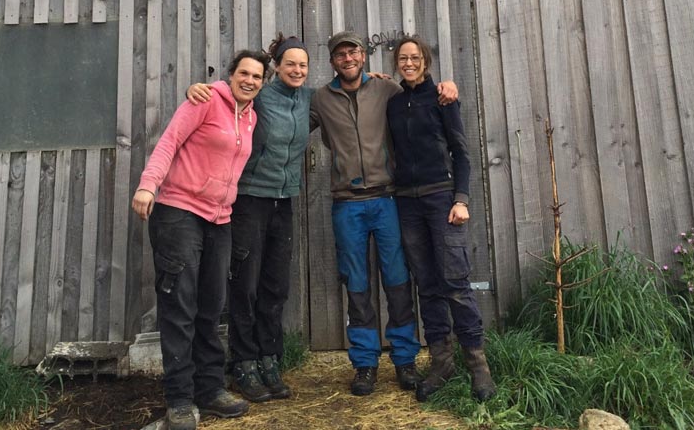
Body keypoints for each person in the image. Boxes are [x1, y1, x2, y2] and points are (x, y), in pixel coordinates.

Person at [309, 31, 458, 397]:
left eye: (354, 51)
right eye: (340, 54)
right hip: (347, 203)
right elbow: (286, 116)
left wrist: (447, 87)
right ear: (332, 61)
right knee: (357, 284)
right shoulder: (320, 99)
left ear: (363, 56)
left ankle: (405, 359)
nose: (348, 58)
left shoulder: (387, 90)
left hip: (387, 200)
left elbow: (419, 89)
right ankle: (364, 364)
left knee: (397, 281)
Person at [131, 50, 269, 430]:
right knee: (180, 307)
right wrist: (148, 185)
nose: (250, 80)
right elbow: (170, 141)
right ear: (231, 75)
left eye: (257, 76)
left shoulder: (252, 117)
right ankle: (179, 399)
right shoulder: (206, 100)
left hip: (219, 218)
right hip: (178, 212)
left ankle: (209, 390)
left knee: (212, 306)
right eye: (244, 73)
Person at [186, 35, 311, 403]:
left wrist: (379, 80)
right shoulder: (259, 95)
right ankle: (244, 362)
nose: (297, 70)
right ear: (276, 67)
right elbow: (229, 96)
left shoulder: (308, 98)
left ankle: (270, 358)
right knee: (247, 283)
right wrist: (200, 88)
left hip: (284, 201)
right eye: (290, 64)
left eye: (303, 65)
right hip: (250, 199)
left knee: (275, 284)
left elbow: (346, 92)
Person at [386, 36, 496, 402]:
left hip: (440, 199)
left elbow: (461, 154)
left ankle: (478, 364)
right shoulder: (395, 102)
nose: (409, 62)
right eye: (403, 58)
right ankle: (441, 361)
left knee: (455, 280)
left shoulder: (443, 98)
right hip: (407, 204)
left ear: (426, 61)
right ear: (397, 63)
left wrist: (461, 198)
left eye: (415, 57)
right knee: (427, 284)